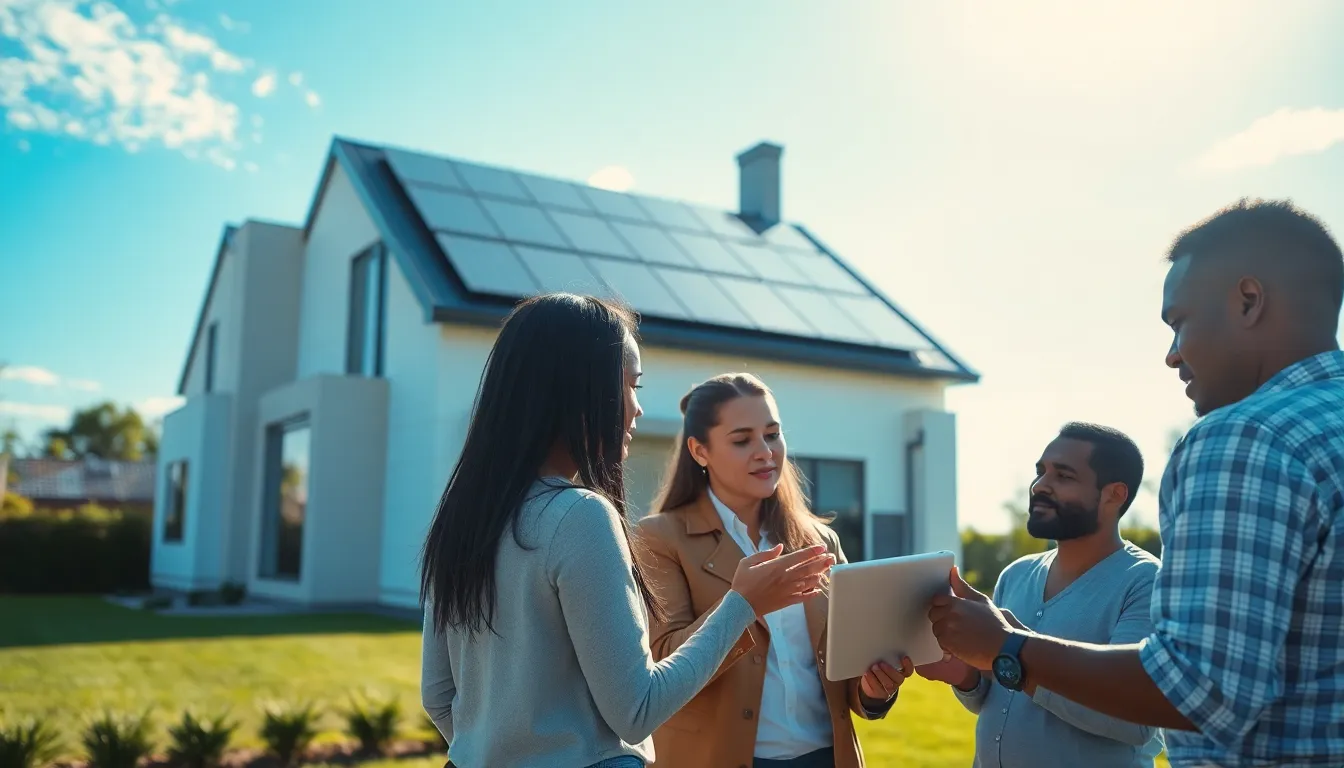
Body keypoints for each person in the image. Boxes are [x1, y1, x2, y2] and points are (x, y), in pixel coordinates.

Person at [928, 199, 1344, 768]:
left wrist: (1006, 644)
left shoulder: (1245, 438)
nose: (1172, 355)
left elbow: (1200, 688)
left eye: (1179, 323)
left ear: (1248, 301)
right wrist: (976, 660)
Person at [418, 295, 835, 768]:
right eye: (630, 386)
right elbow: (638, 710)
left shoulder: (467, 517)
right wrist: (743, 604)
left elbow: (438, 694)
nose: (637, 408)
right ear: (578, 389)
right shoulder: (579, 517)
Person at [634, 373, 904, 768]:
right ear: (700, 451)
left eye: (773, 434)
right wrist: (744, 604)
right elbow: (661, 665)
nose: (765, 452)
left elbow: (846, 663)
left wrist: (873, 690)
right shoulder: (660, 538)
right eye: (742, 440)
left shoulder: (820, 540)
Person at [918, 422, 1163, 767]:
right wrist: (961, 672)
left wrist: (1011, 649)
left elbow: (1134, 722)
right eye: (1041, 472)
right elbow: (997, 697)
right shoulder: (1016, 574)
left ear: (1114, 494)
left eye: (1063, 476)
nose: (1040, 486)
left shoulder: (1147, 583)